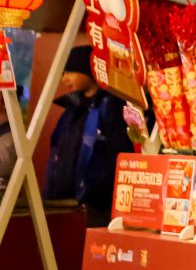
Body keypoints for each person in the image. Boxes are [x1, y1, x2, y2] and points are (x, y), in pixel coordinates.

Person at [44, 46, 137, 227]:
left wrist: (93, 191)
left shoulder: (114, 107)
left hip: (97, 210)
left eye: (69, 71)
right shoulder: (71, 109)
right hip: (63, 205)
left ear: (88, 70)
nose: (64, 79)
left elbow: (118, 154)